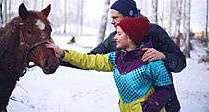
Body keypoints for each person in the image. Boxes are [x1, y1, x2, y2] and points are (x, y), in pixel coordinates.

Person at [60, 0, 186, 112]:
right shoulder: (114, 39)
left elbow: (180, 63)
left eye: (116, 18)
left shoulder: (154, 32)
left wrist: (163, 56)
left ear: (129, 16)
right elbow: (89, 59)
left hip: (166, 106)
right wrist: (57, 57)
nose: (112, 22)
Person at [46, 17, 174, 112]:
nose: (114, 38)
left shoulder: (151, 59)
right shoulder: (116, 58)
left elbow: (166, 89)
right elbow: (88, 60)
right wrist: (62, 53)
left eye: (119, 34)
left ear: (130, 37)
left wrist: (147, 108)